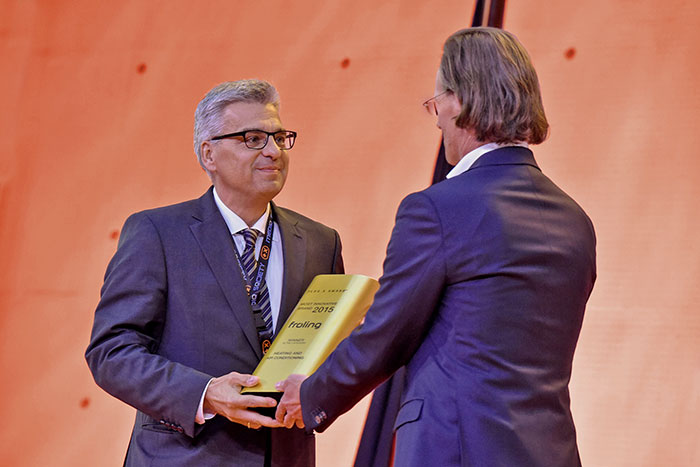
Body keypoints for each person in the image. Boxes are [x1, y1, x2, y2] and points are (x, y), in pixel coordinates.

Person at [275, 27, 596, 466]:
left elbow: (387, 332)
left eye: (437, 100)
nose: (437, 118)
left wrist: (312, 393)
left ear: (460, 99)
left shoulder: (438, 209)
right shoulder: (576, 220)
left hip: (456, 449)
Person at [85, 79, 344, 466]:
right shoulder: (158, 233)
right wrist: (205, 393)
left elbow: (331, 350)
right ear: (209, 154)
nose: (273, 151)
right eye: (253, 139)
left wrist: (322, 387)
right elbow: (112, 353)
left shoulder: (321, 241)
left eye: (279, 138)